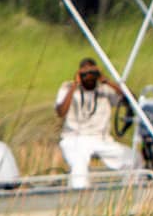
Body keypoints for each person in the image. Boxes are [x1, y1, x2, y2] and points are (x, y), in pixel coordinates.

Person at [55, 58, 135, 188]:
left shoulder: (105, 89)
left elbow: (131, 100)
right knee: (79, 166)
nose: (89, 77)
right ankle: (79, 199)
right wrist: (75, 85)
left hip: (101, 138)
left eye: (92, 72)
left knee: (132, 158)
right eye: (85, 73)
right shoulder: (67, 88)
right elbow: (60, 112)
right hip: (75, 138)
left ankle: (129, 192)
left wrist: (107, 81)